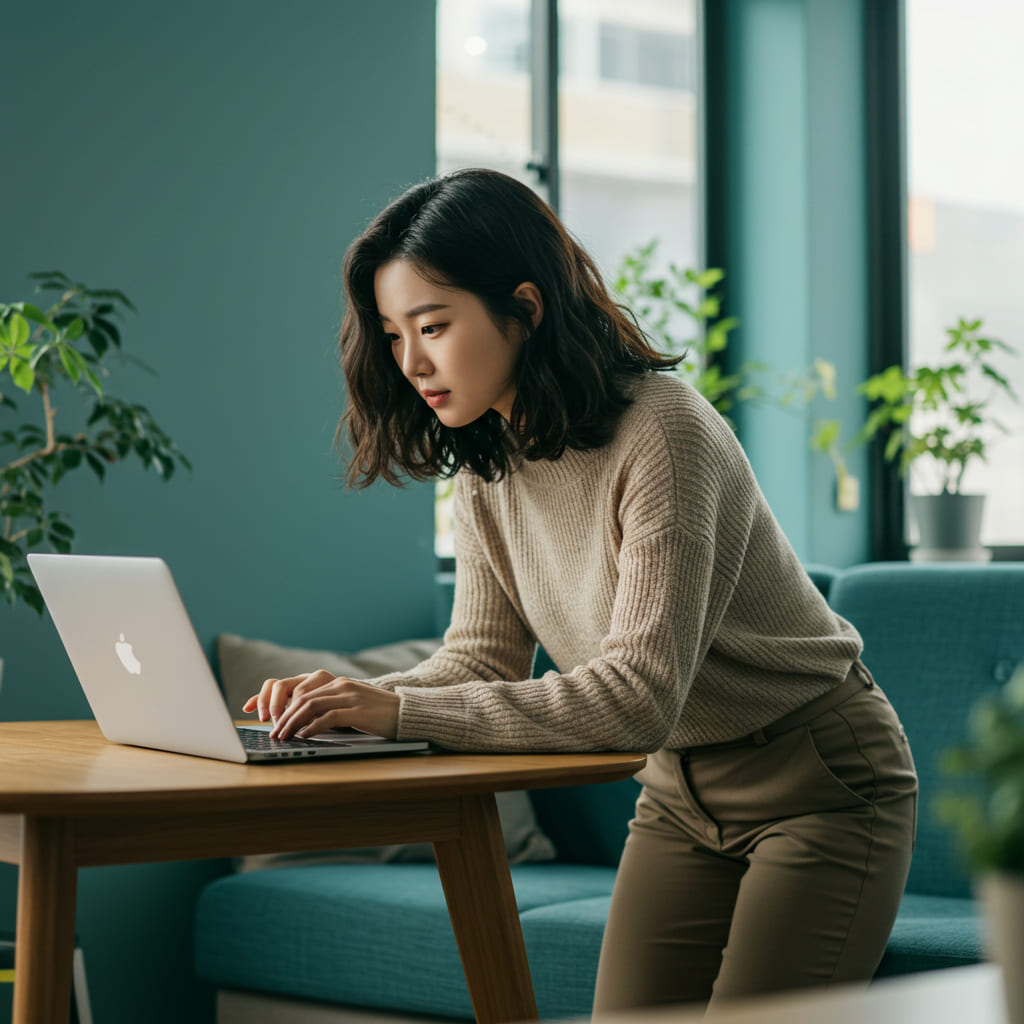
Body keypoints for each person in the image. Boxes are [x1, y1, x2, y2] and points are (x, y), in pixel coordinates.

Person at [243, 168, 918, 1012]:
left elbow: (638, 698)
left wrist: (399, 713)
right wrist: (356, 700)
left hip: (817, 786)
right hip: (675, 797)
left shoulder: (664, 432)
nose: (411, 361)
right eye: (392, 334)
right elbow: (479, 658)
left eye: (434, 326)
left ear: (524, 308)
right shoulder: (489, 464)